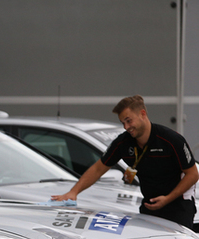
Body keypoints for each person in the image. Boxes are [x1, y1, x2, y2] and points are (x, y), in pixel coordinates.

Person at [52, 95, 199, 230]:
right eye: (123, 123)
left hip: (178, 205)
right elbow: (99, 168)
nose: (126, 127)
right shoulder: (123, 142)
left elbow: (193, 174)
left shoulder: (171, 140)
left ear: (142, 114)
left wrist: (167, 199)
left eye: (129, 121)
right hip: (149, 206)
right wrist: (73, 192)